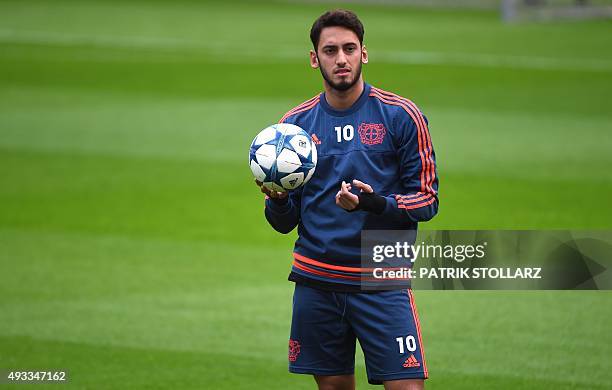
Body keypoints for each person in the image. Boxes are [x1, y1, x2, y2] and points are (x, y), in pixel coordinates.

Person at [256, 9, 438, 390]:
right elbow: (285, 222)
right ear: (314, 59)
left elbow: (426, 201)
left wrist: (373, 204)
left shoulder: (401, 116)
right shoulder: (294, 128)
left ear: (364, 54)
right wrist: (277, 200)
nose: (341, 59)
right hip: (316, 281)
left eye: (349, 49)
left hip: (380, 280)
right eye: (331, 50)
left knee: (407, 386)